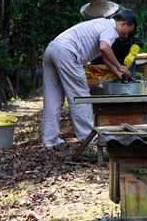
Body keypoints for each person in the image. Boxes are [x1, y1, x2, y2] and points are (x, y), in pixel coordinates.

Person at [41, 10, 137, 147]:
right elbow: (104, 48)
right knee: (81, 95)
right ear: (123, 24)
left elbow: (105, 57)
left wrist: (119, 75)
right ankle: (88, 136)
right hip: (67, 52)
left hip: (52, 49)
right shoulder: (111, 29)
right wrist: (120, 66)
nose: (126, 35)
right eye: (128, 31)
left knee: (53, 97)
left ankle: (49, 140)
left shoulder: (101, 24)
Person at [81, 0, 144, 76]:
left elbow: (138, 34)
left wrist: (131, 54)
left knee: (127, 77)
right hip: (99, 52)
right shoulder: (87, 17)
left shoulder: (122, 13)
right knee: (99, 77)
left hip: (122, 49)